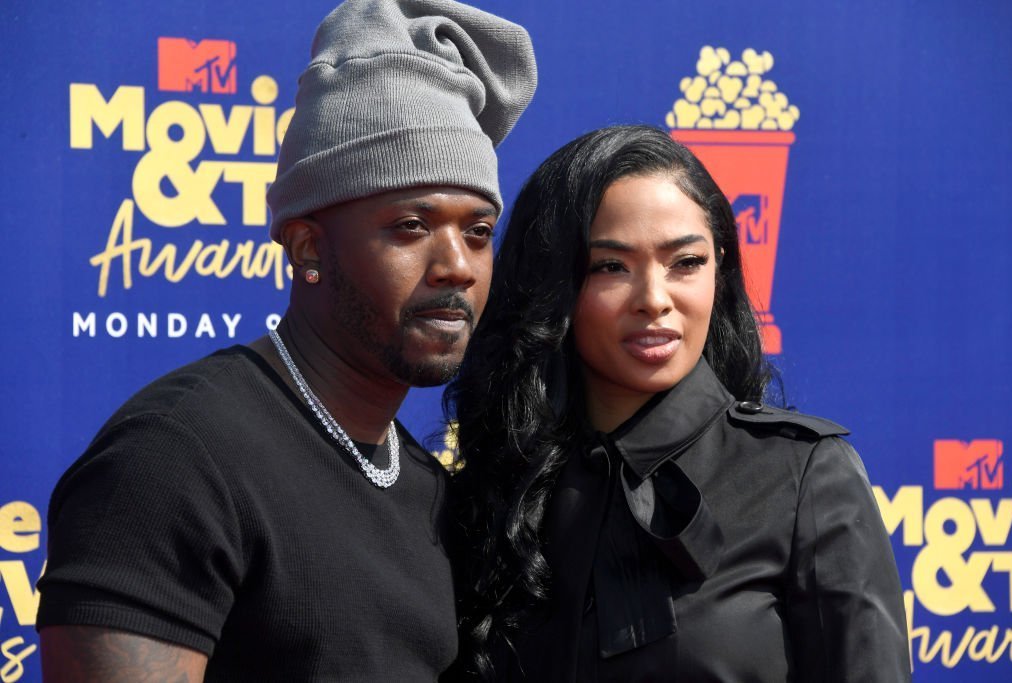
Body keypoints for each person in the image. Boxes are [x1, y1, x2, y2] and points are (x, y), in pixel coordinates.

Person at [36, 1, 536, 680]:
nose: (458, 264)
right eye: (412, 225)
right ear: (307, 248)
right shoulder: (173, 461)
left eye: (477, 231)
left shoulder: (423, 485)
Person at [445, 125, 911, 682]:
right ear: (552, 285)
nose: (654, 300)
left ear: (720, 270)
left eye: (685, 262)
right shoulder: (490, 491)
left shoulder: (803, 476)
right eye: (611, 267)